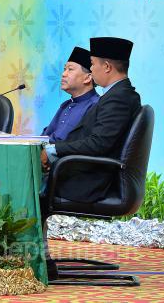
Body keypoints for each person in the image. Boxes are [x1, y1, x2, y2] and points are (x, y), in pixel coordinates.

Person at [41, 37, 141, 203]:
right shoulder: (117, 95)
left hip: (85, 183)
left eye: (93, 64)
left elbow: (98, 143)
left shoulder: (119, 98)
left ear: (107, 67)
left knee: (24, 185)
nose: (92, 70)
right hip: (76, 173)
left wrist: (53, 150)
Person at [43, 46, 99, 142]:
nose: (63, 74)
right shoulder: (65, 105)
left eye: (70, 69)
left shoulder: (95, 105)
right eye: (64, 69)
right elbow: (45, 135)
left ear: (87, 78)